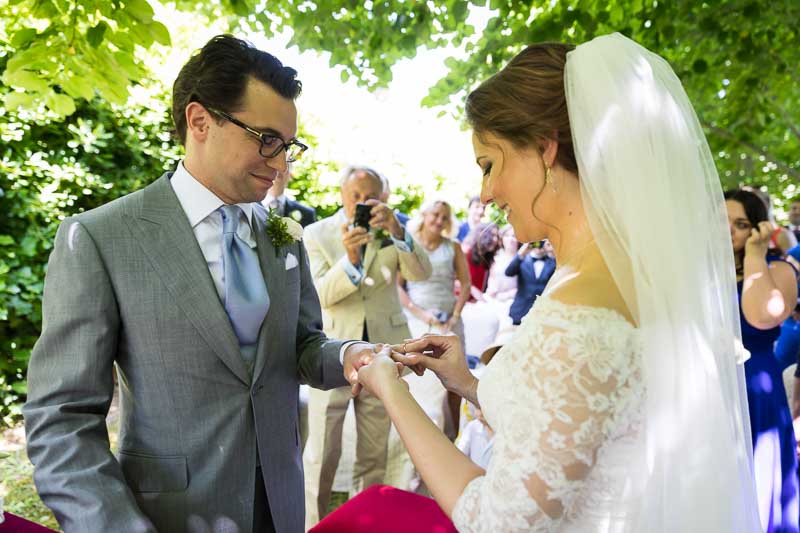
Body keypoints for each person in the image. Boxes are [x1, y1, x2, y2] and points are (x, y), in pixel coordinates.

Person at [315, 33, 761, 532]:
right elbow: (574, 431)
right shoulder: (606, 273)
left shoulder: (585, 309)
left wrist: (389, 389)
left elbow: (498, 522)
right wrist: (466, 382)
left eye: (490, 164)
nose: (486, 191)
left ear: (545, 149)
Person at [23, 35, 378, 533]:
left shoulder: (283, 237)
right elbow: (61, 421)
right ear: (200, 121)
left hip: (280, 504)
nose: (281, 165)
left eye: (289, 145)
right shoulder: (101, 238)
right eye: (266, 139)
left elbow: (299, 344)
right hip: (167, 515)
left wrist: (348, 356)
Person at [301, 165, 432, 528]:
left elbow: (422, 273)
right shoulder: (316, 233)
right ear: (342, 194)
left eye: (370, 196)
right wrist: (352, 262)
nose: (361, 203)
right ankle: (312, 524)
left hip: (382, 354)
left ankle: (364, 523)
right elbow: (321, 295)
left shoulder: (394, 232)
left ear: (383, 198)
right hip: (331, 353)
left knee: (374, 452)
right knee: (322, 453)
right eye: (355, 195)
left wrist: (397, 231)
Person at [725, 188, 799, 532]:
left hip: (756, 384)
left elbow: (760, 317)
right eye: (719, 220)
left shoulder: (780, 270)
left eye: (739, 223)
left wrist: (755, 255)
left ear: (757, 227)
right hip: (709, 388)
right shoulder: (696, 274)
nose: (727, 230)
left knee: (757, 484)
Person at [386, 199, 470, 489]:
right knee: (425, 390)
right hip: (418, 322)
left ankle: (454, 442)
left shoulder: (453, 247)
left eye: (444, 216)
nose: (438, 220)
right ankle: (420, 449)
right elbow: (398, 286)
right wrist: (421, 314)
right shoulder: (410, 246)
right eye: (434, 213)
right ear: (425, 215)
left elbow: (466, 285)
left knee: (454, 386)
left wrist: (455, 316)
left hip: (448, 323)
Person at [505, 240, 556, 325]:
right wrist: (521, 253)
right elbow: (508, 272)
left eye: (541, 243)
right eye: (535, 243)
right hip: (520, 311)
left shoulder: (553, 262)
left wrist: (553, 251)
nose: (538, 246)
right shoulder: (522, 260)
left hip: (543, 313)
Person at [483, 225, 518, 325]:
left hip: (512, 301)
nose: (510, 239)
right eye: (507, 236)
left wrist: (507, 295)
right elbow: (491, 283)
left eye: (514, 236)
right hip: (494, 299)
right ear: (502, 239)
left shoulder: (522, 259)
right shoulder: (496, 258)